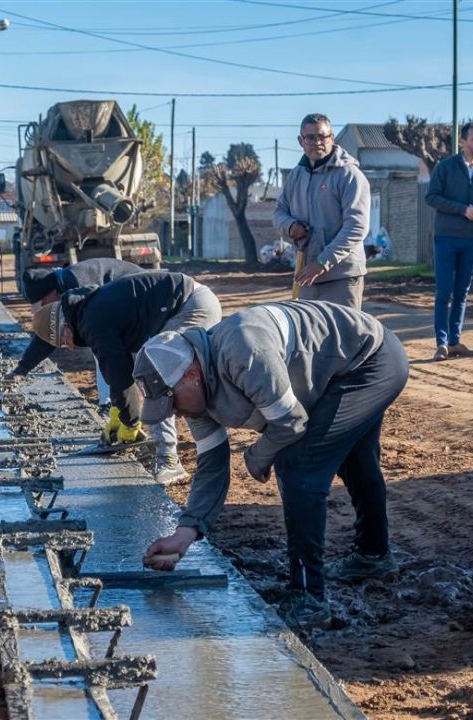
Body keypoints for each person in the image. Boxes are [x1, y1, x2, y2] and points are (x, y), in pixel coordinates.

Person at [134, 300, 408, 630]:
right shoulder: (197, 397)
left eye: (171, 401)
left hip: (370, 360)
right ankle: (374, 556)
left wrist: (258, 456)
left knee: (299, 465)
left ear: (191, 375)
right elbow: (212, 465)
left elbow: (291, 424)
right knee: (355, 460)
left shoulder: (242, 348)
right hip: (333, 374)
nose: (174, 413)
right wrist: (185, 533)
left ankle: (308, 597)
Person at [30, 271, 221, 485]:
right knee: (145, 364)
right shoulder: (89, 311)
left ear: (64, 327)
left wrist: (130, 422)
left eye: (64, 342)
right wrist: (117, 413)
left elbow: (118, 373)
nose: (70, 348)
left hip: (191, 306)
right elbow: (122, 367)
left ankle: (168, 460)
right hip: (185, 302)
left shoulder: (92, 321)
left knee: (159, 374)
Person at [13, 259, 146, 411]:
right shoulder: (64, 283)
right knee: (104, 351)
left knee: (111, 353)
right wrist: (22, 368)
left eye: (43, 304)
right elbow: (50, 332)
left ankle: (119, 407)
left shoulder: (78, 283)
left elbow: (55, 328)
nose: (44, 309)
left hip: (141, 300)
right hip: (124, 306)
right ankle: (111, 404)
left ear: (51, 292)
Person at [274, 113, 371, 309]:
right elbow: (279, 212)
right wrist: (290, 226)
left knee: (343, 336)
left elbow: (356, 227)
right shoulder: (296, 176)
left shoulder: (349, 175)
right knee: (310, 336)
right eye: (310, 137)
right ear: (301, 141)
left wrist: (321, 263)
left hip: (341, 276)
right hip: (307, 276)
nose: (317, 142)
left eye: (322, 137)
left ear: (331, 138)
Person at [425, 122, 473, 361]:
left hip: (470, 240)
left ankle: (455, 342)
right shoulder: (445, 167)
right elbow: (432, 197)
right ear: (462, 141)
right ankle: (442, 344)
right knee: (444, 291)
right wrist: (461, 209)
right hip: (445, 238)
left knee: (462, 292)